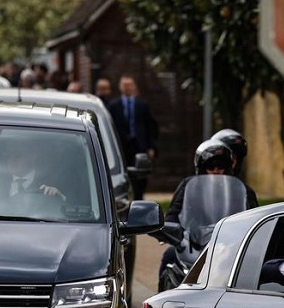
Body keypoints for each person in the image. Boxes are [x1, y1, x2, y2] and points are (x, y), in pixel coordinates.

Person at [157, 139, 257, 286]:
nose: (216, 170)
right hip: (194, 243)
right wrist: (171, 231)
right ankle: (160, 300)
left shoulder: (242, 190)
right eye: (211, 166)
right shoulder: (187, 186)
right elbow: (173, 213)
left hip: (231, 244)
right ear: (202, 167)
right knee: (170, 255)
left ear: (229, 167)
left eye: (221, 166)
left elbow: (254, 216)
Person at [107, 74, 158, 199]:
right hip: (122, 146)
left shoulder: (142, 105)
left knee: (140, 174)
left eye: (130, 85)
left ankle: (139, 197)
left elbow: (150, 126)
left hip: (139, 145)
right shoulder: (114, 106)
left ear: (134, 87)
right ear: (120, 87)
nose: (128, 88)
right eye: (125, 85)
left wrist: (151, 146)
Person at [211, 128, 258, 207]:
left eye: (234, 158)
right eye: (226, 158)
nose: (232, 162)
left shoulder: (245, 192)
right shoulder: (193, 189)